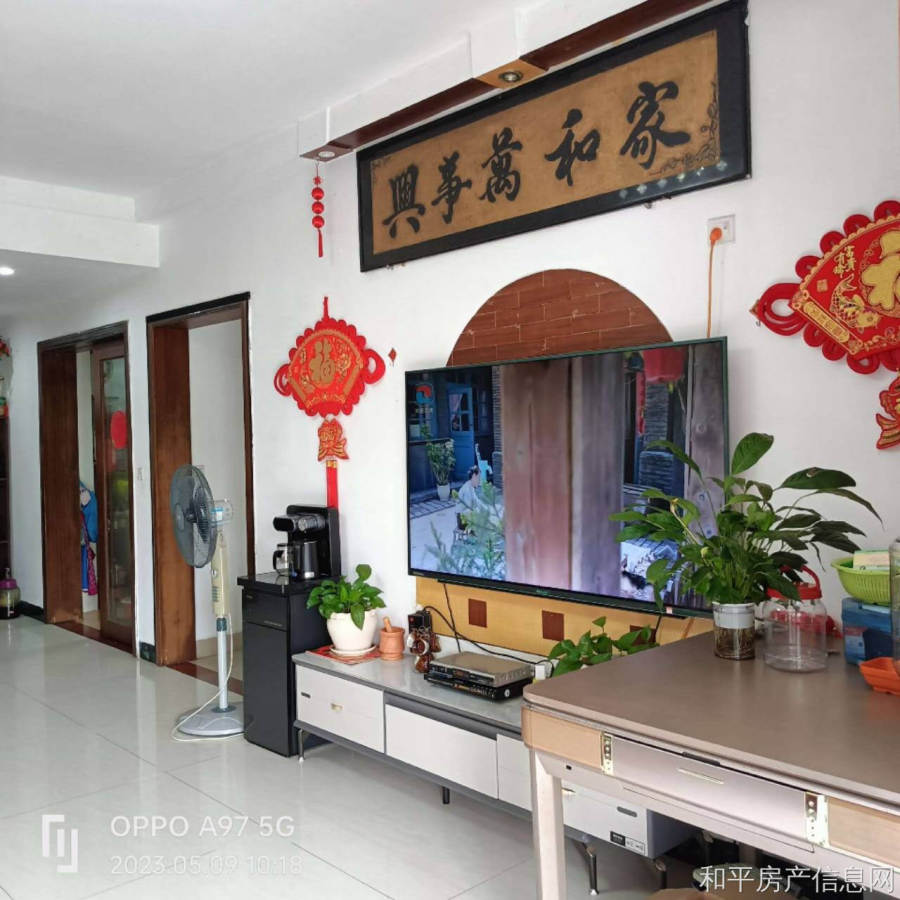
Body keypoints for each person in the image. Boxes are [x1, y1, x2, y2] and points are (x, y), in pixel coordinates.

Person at [455, 466, 481, 531]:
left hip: (466, 516)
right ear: (474, 476)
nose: (479, 481)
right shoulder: (466, 490)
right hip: (462, 520)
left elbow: (477, 501)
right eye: (478, 477)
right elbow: (469, 509)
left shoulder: (470, 486)